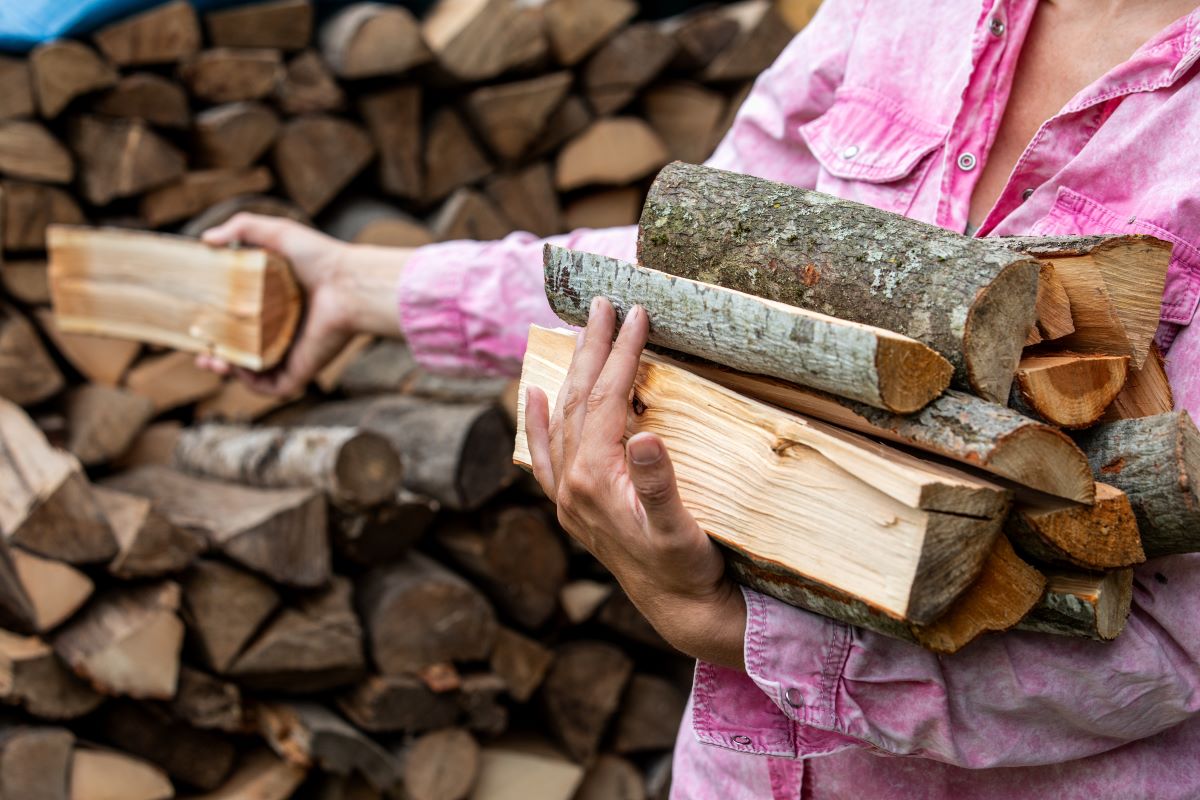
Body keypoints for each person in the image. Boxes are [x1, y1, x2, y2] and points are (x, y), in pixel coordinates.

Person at [201, 0, 1200, 796]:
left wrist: (730, 628)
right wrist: (364, 286)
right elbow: (694, 282)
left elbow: (1176, 645)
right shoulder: (909, 8)